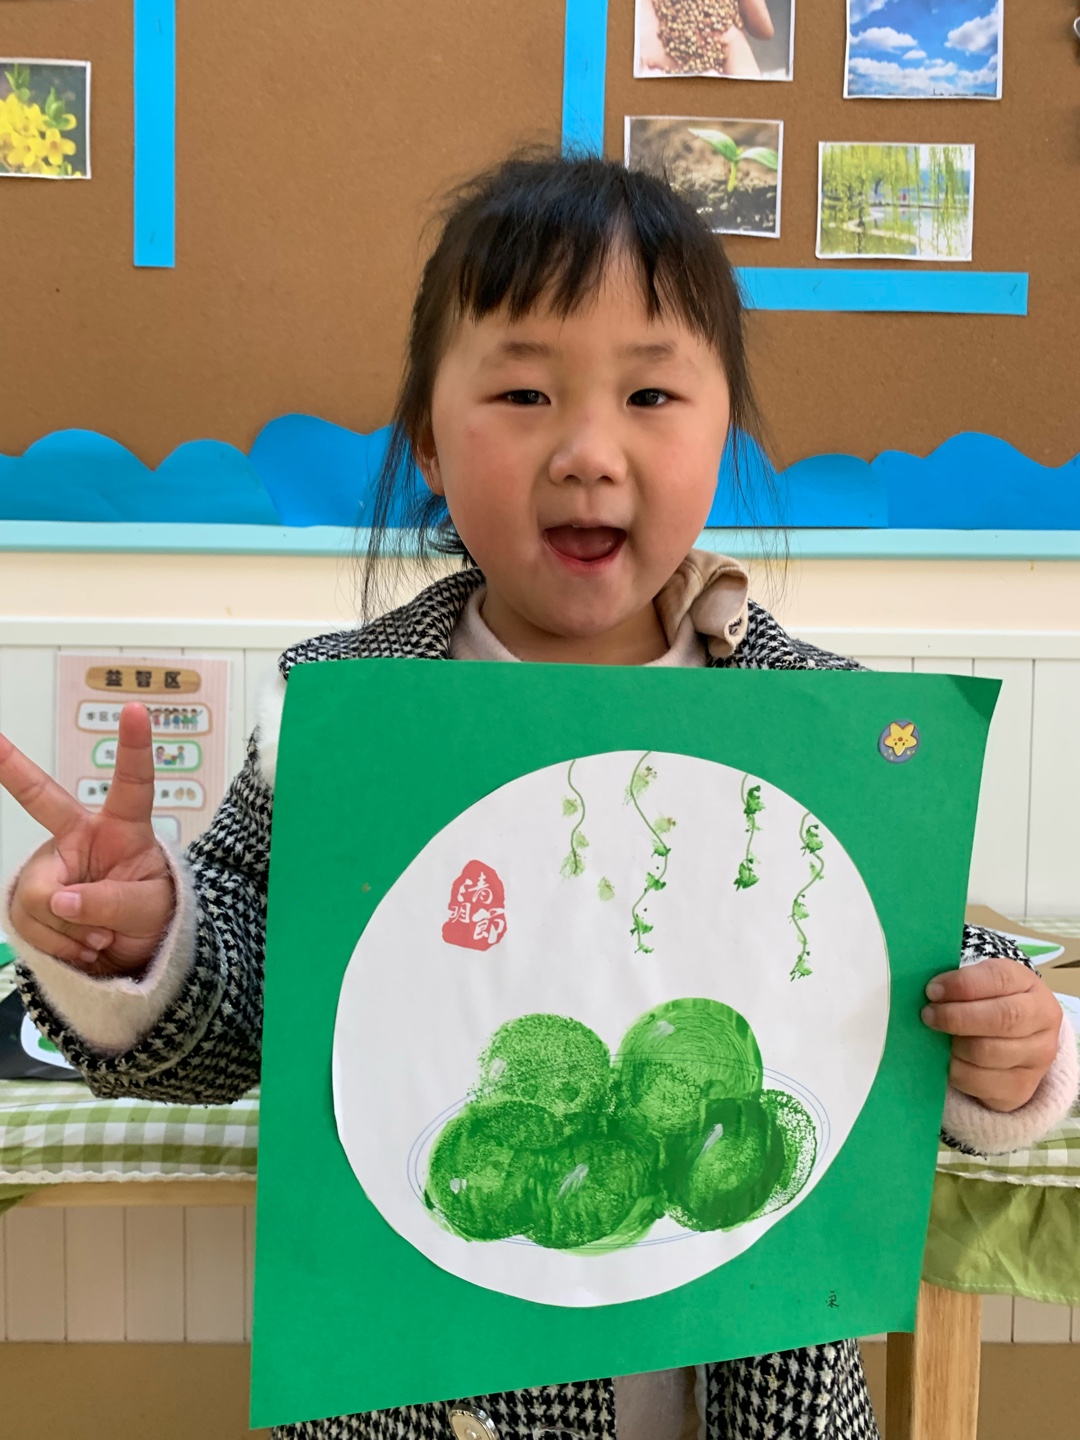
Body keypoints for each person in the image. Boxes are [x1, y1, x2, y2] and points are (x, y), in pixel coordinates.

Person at [0, 155, 1074, 1440]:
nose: (587, 453)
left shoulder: (820, 725)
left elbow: (914, 967)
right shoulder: (346, 718)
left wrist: (1009, 1045)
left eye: (651, 393)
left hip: (747, 1394)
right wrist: (141, 945)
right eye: (522, 392)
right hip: (425, 1397)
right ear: (429, 444)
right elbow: (239, 1012)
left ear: (722, 437)